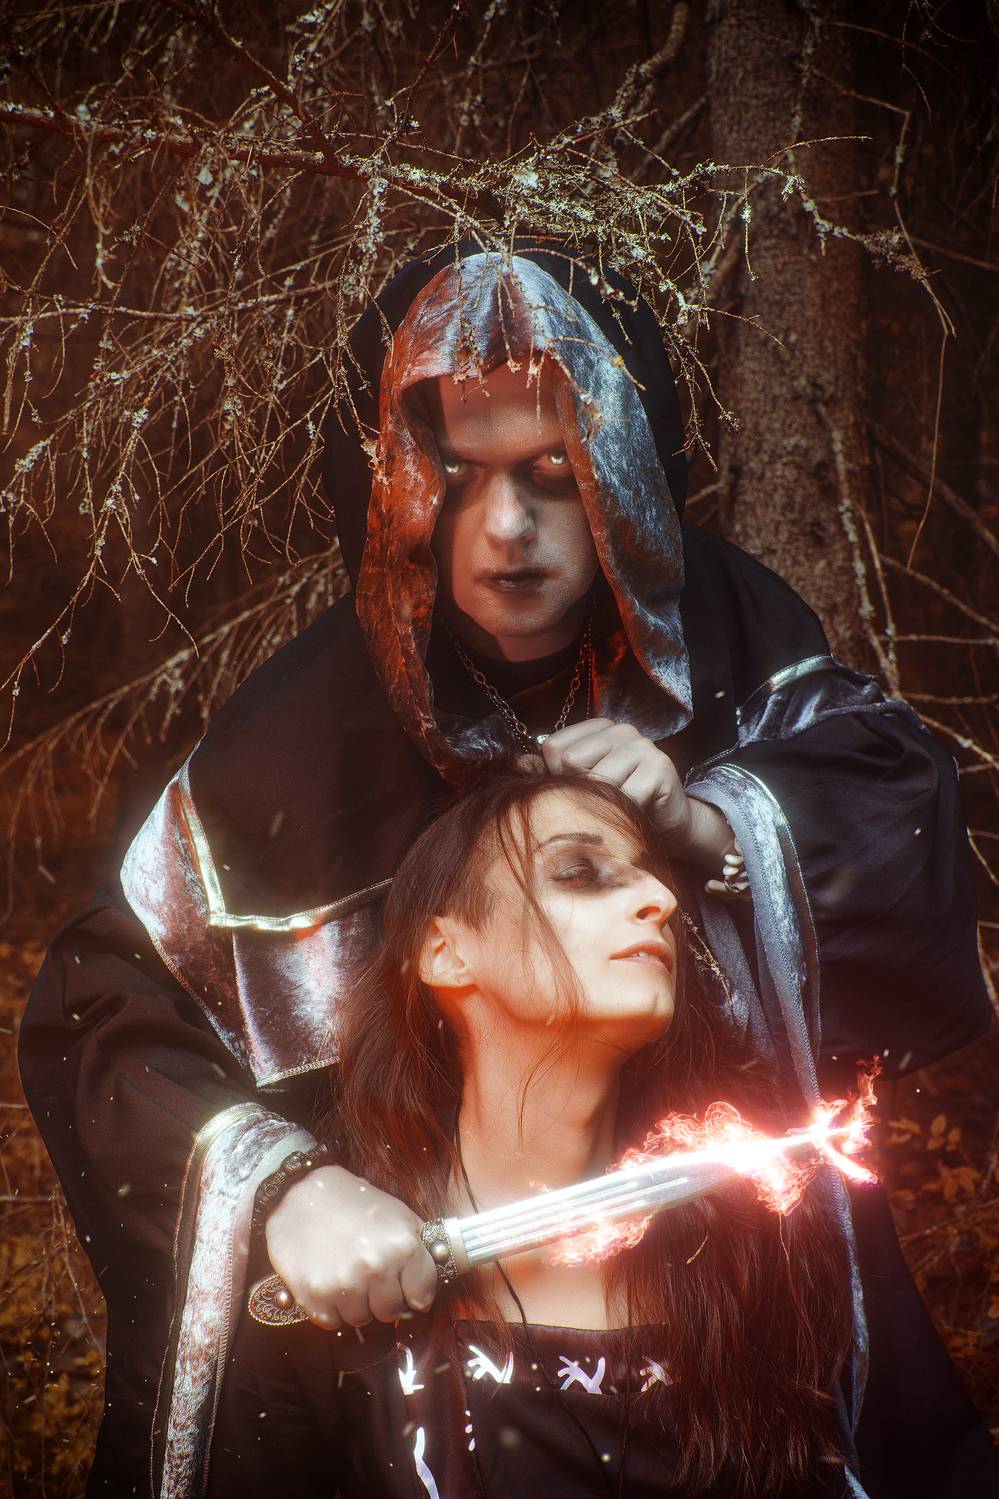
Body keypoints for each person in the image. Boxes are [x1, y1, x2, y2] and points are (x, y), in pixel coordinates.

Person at [19, 243, 992, 1494]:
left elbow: (900, 818)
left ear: (622, 474)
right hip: (417, 1343)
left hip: (739, 1310)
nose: (508, 531)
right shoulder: (299, 733)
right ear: (392, 485)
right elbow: (105, 1010)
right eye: (457, 477)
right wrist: (290, 1191)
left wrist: (713, 823)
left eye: (554, 474)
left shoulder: (731, 637)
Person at [202, 770, 997, 1499]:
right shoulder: (328, 1282)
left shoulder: (766, 1244)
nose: (660, 898)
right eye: (579, 872)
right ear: (445, 951)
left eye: (657, 873)